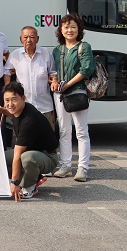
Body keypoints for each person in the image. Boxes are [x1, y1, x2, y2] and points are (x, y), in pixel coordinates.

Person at [51, 14, 96, 182]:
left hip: (77, 92)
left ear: (79, 30)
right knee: (64, 130)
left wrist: (67, 84)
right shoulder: (57, 50)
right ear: (61, 30)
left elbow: (86, 70)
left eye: (73, 27)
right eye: (66, 27)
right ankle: (65, 165)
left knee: (81, 131)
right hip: (60, 95)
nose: (69, 30)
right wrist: (55, 81)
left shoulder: (84, 47)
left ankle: (83, 167)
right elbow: (54, 71)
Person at [0, 82, 59, 200]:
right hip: (32, 152)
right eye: (7, 100)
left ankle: (29, 186)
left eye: (14, 100)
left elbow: (17, 155)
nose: (10, 104)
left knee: (26, 158)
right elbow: (13, 114)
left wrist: (14, 182)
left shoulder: (29, 120)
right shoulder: (20, 109)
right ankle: (35, 177)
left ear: (23, 98)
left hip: (48, 156)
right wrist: (2, 110)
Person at [4, 26, 58, 130]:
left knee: (47, 138)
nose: (28, 40)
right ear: (21, 39)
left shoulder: (46, 53)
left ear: (37, 39)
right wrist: (8, 86)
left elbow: (52, 72)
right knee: (23, 138)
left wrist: (54, 80)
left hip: (45, 106)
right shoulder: (15, 55)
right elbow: (6, 71)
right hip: (23, 107)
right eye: (25, 37)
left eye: (32, 37)